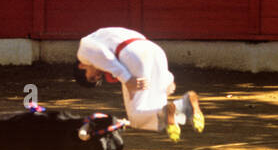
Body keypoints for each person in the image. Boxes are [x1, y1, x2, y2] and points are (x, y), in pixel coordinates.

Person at [75, 26, 204, 142]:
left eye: (92, 77)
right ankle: (184, 107)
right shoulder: (101, 37)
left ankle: (182, 105)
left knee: (136, 117)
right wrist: (167, 79)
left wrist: (126, 79)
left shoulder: (83, 51)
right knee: (156, 105)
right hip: (154, 50)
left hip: (132, 55)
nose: (98, 76)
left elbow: (102, 54)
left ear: (81, 66)